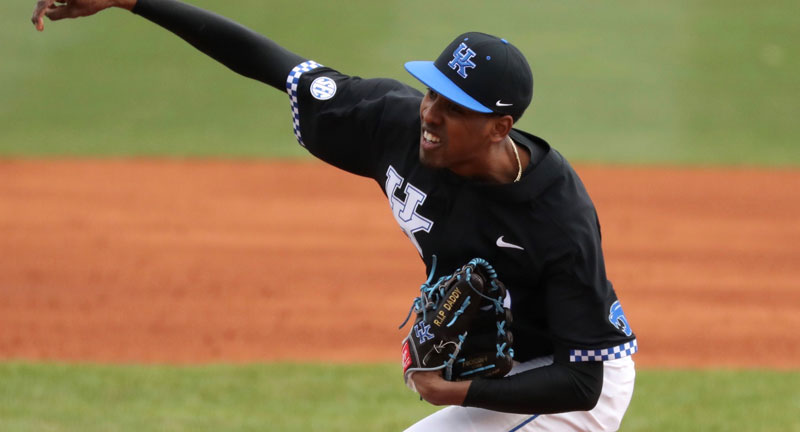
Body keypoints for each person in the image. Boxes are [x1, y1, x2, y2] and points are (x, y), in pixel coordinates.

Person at [32, 1, 638, 430]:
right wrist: (133, 0)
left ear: (499, 127)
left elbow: (582, 381)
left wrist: (459, 390)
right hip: (511, 369)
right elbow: (273, 64)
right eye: (432, 91)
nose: (430, 113)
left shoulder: (557, 220)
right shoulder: (391, 123)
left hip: (572, 380)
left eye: (454, 108)